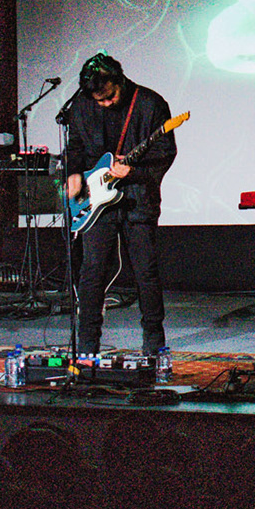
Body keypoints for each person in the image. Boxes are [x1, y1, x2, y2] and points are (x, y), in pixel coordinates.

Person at [61, 52, 176, 357]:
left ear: (119, 80)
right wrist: (73, 174)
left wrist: (134, 171)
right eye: (99, 100)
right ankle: (87, 344)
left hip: (138, 197)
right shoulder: (82, 105)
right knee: (92, 270)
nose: (105, 103)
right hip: (96, 199)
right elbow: (75, 146)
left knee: (145, 271)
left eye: (109, 96)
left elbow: (166, 151)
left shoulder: (150, 104)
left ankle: (154, 343)